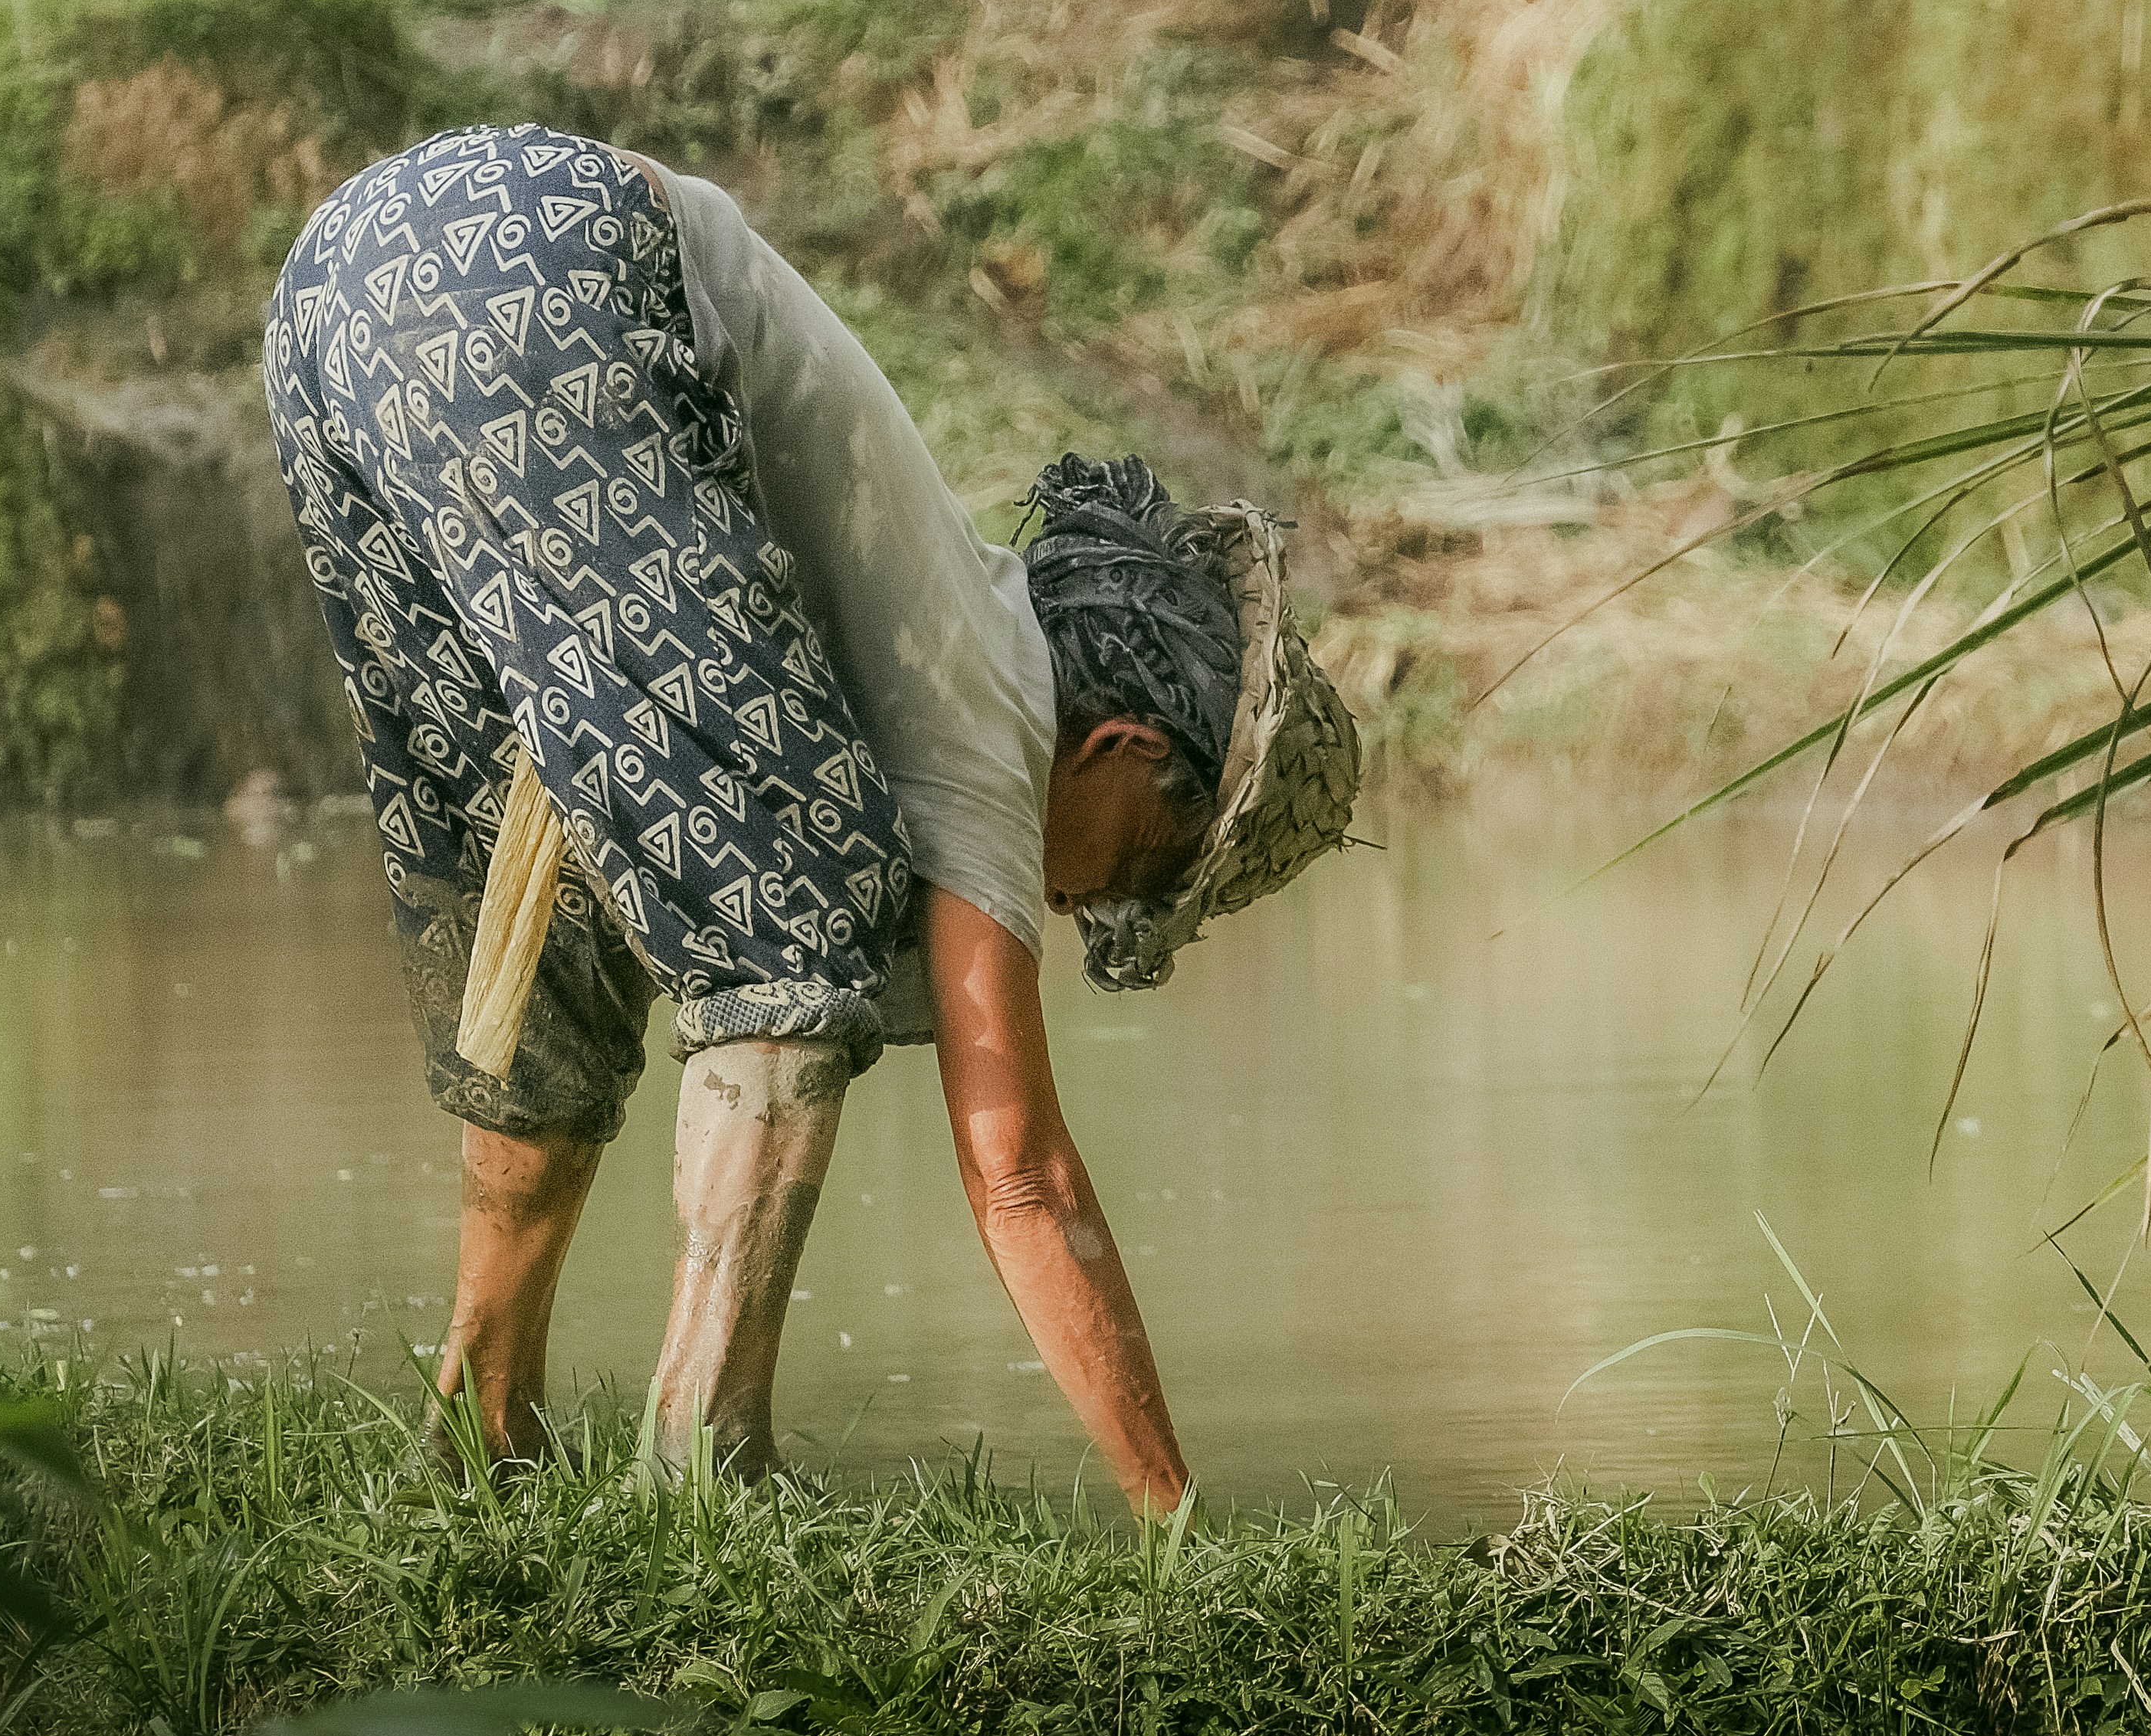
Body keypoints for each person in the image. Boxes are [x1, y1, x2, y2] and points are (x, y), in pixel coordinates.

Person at [259, 120, 1359, 1517]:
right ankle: (702, 1462)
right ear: (1128, 747)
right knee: (794, 900)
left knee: (543, 918)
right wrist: (1172, 1509)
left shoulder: (913, 625)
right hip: (556, 268)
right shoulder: (991, 722)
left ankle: (484, 1420)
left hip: (347, 278)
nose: (1090, 908)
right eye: (1140, 867)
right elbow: (1019, 1175)